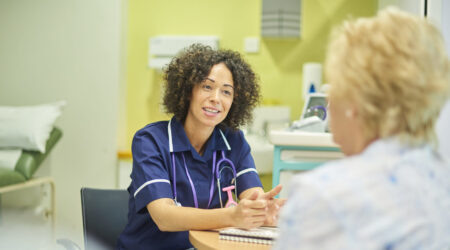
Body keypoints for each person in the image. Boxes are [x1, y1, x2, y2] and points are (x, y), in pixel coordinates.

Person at [274, 7, 450, 250]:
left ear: (355, 102)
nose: (328, 99)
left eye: (333, 84)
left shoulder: (322, 195)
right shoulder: (439, 177)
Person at [118, 44, 285, 249]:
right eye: (207, 87)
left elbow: (253, 196)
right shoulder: (151, 141)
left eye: (226, 92)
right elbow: (164, 217)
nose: (216, 98)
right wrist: (232, 216)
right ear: (188, 91)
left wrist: (261, 211)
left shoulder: (234, 141)